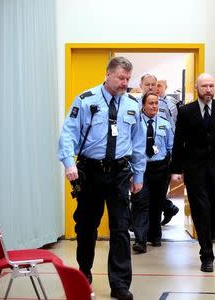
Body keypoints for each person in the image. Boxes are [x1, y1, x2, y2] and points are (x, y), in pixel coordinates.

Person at [58, 56, 145, 300]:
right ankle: (84, 273)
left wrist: (138, 175)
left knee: (120, 229)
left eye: (128, 79)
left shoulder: (131, 104)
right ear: (108, 75)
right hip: (91, 172)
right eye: (120, 78)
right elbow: (68, 133)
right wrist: (67, 163)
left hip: (120, 172)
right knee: (86, 227)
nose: (124, 83)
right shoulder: (86, 100)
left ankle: (119, 285)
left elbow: (137, 143)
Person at [171, 73, 215, 273]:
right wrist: (176, 169)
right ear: (197, 88)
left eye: (211, 85)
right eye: (204, 86)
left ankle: (207, 236)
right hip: (195, 172)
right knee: (201, 212)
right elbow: (179, 143)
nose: (208, 89)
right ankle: (206, 255)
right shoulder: (185, 112)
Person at [131, 92, 174, 253]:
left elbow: (171, 147)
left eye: (156, 103)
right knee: (140, 202)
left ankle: (155, 236)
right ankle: (140, 240)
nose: (154, 106)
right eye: (151, 103)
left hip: (160, 168)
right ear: (143, 105)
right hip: (140, 168)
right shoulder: (135, 124)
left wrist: (174, 170)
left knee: (157, 203)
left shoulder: (164, 124)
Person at [137, 74, 180, 226]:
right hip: (140, 160)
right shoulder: (133, 104)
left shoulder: (166, 105)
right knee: (141, 197)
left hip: (160, 160)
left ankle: (153, 232)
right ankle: (167, 209)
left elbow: (171, 128)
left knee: (156, 196)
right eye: (147, 84)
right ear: (141, 85)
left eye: (153, 84)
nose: (150, 87)